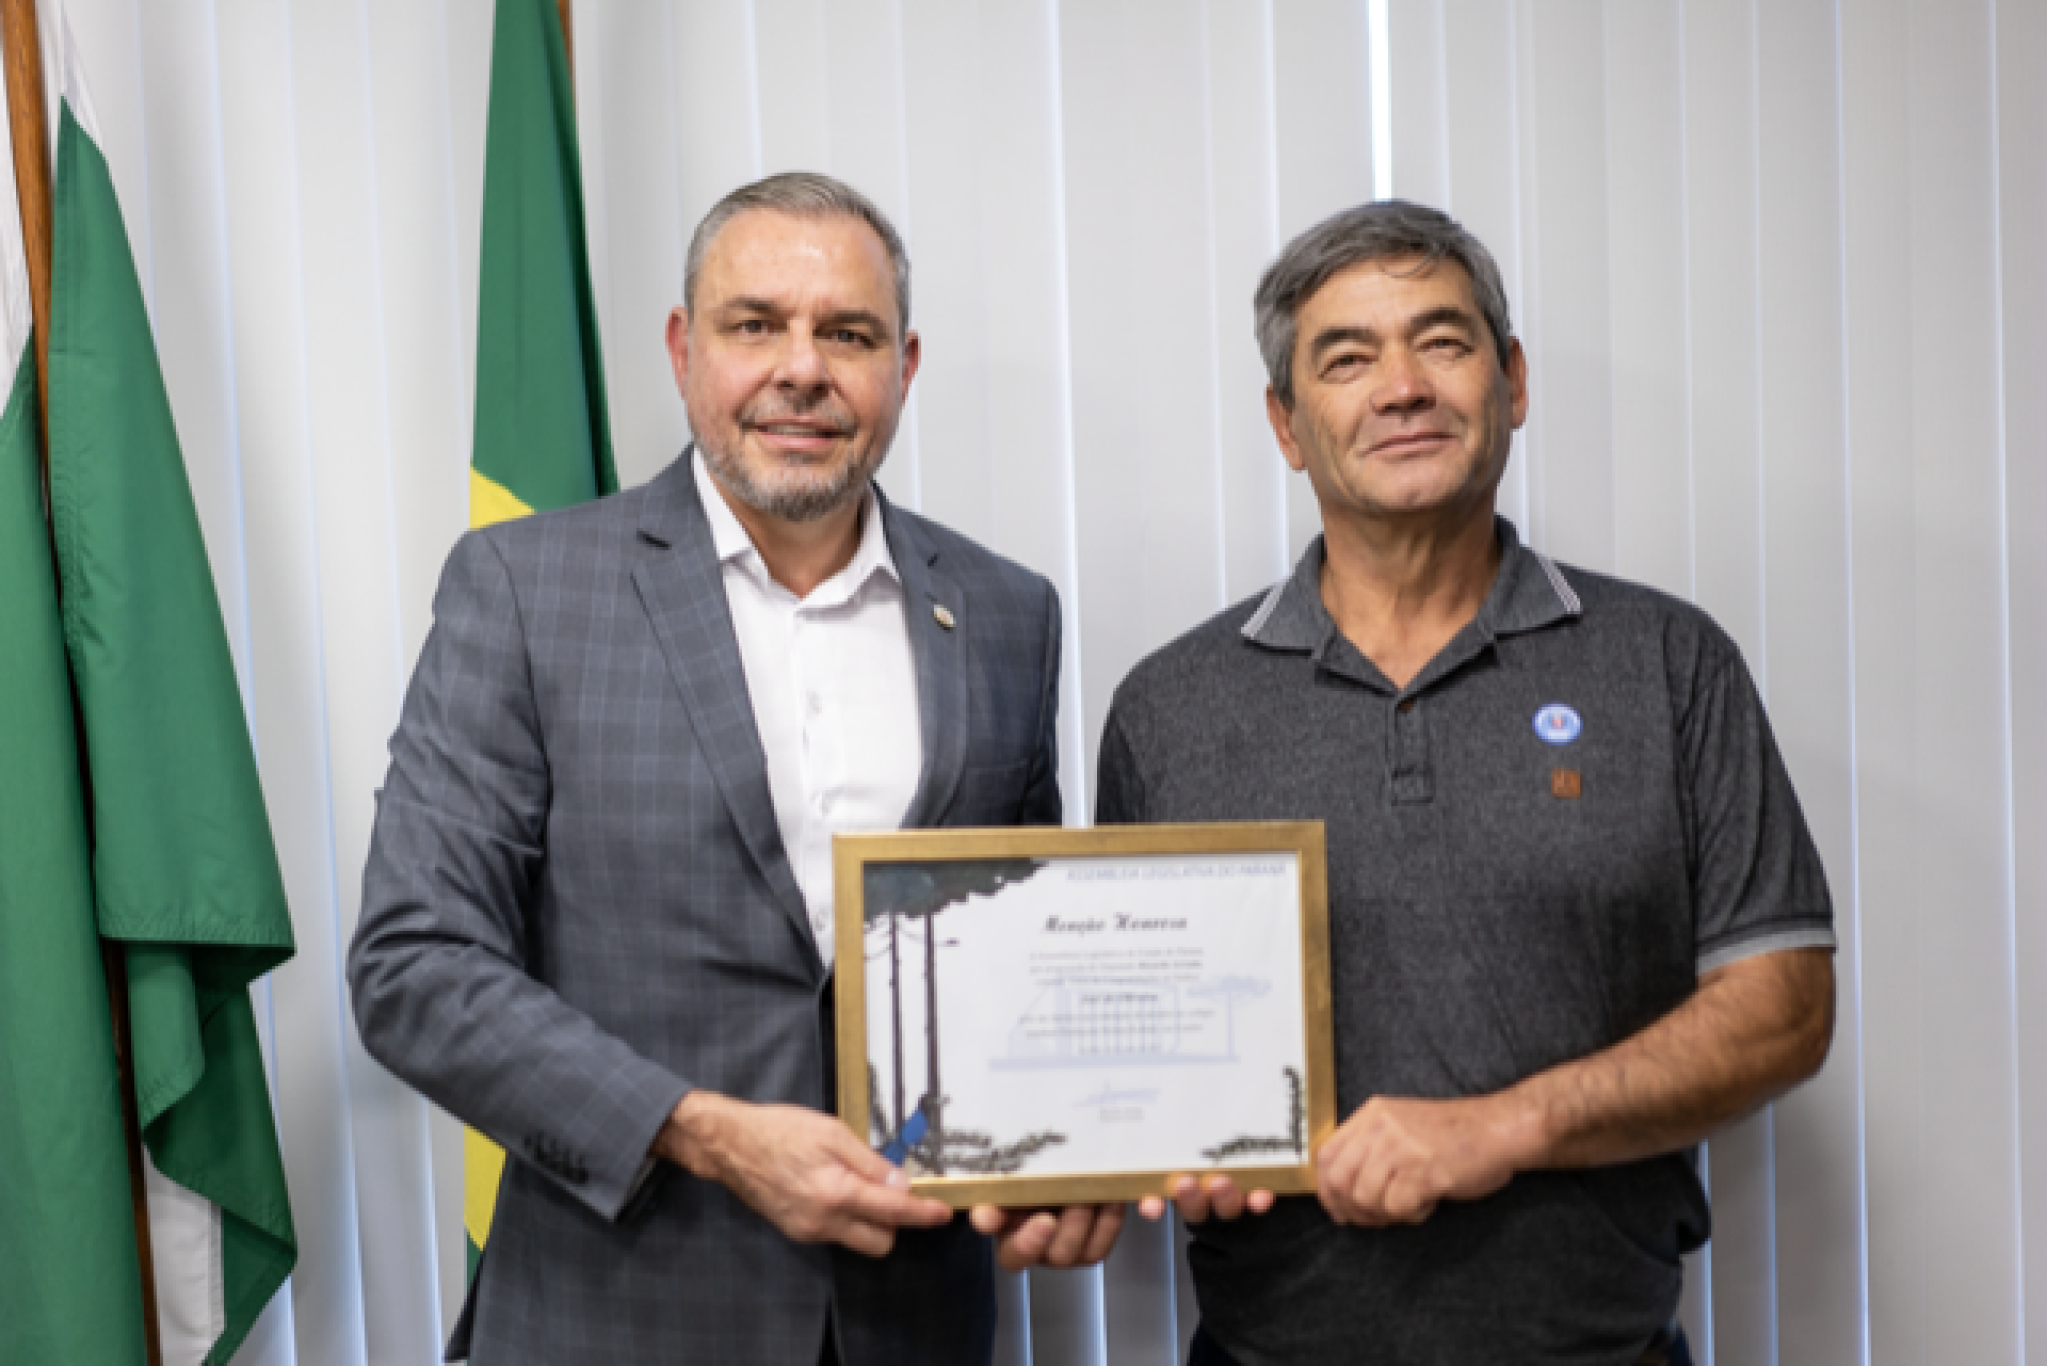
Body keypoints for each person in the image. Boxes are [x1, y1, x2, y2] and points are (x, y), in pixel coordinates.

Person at [349, 172, 1120, 1366]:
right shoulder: (525, 591)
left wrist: (1067, 1155)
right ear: (682, 348)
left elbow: (1008, 968)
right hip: (616, 1316)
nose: (801, 369)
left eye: (847, 333)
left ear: (903, 364)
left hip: (912, 1324)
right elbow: (413, 966)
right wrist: (701, 1131)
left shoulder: (1011, 613)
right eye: (755, 324)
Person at [1100, 200, 1836, 1365]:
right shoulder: (1170, 708)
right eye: (1346, 358)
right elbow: (1136, 1055)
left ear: (1513, 382)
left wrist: (1504, 1126)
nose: (1401, 385)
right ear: (1287, 425)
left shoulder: (1664, 662)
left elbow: (1784, 1009)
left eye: (1441, 341)